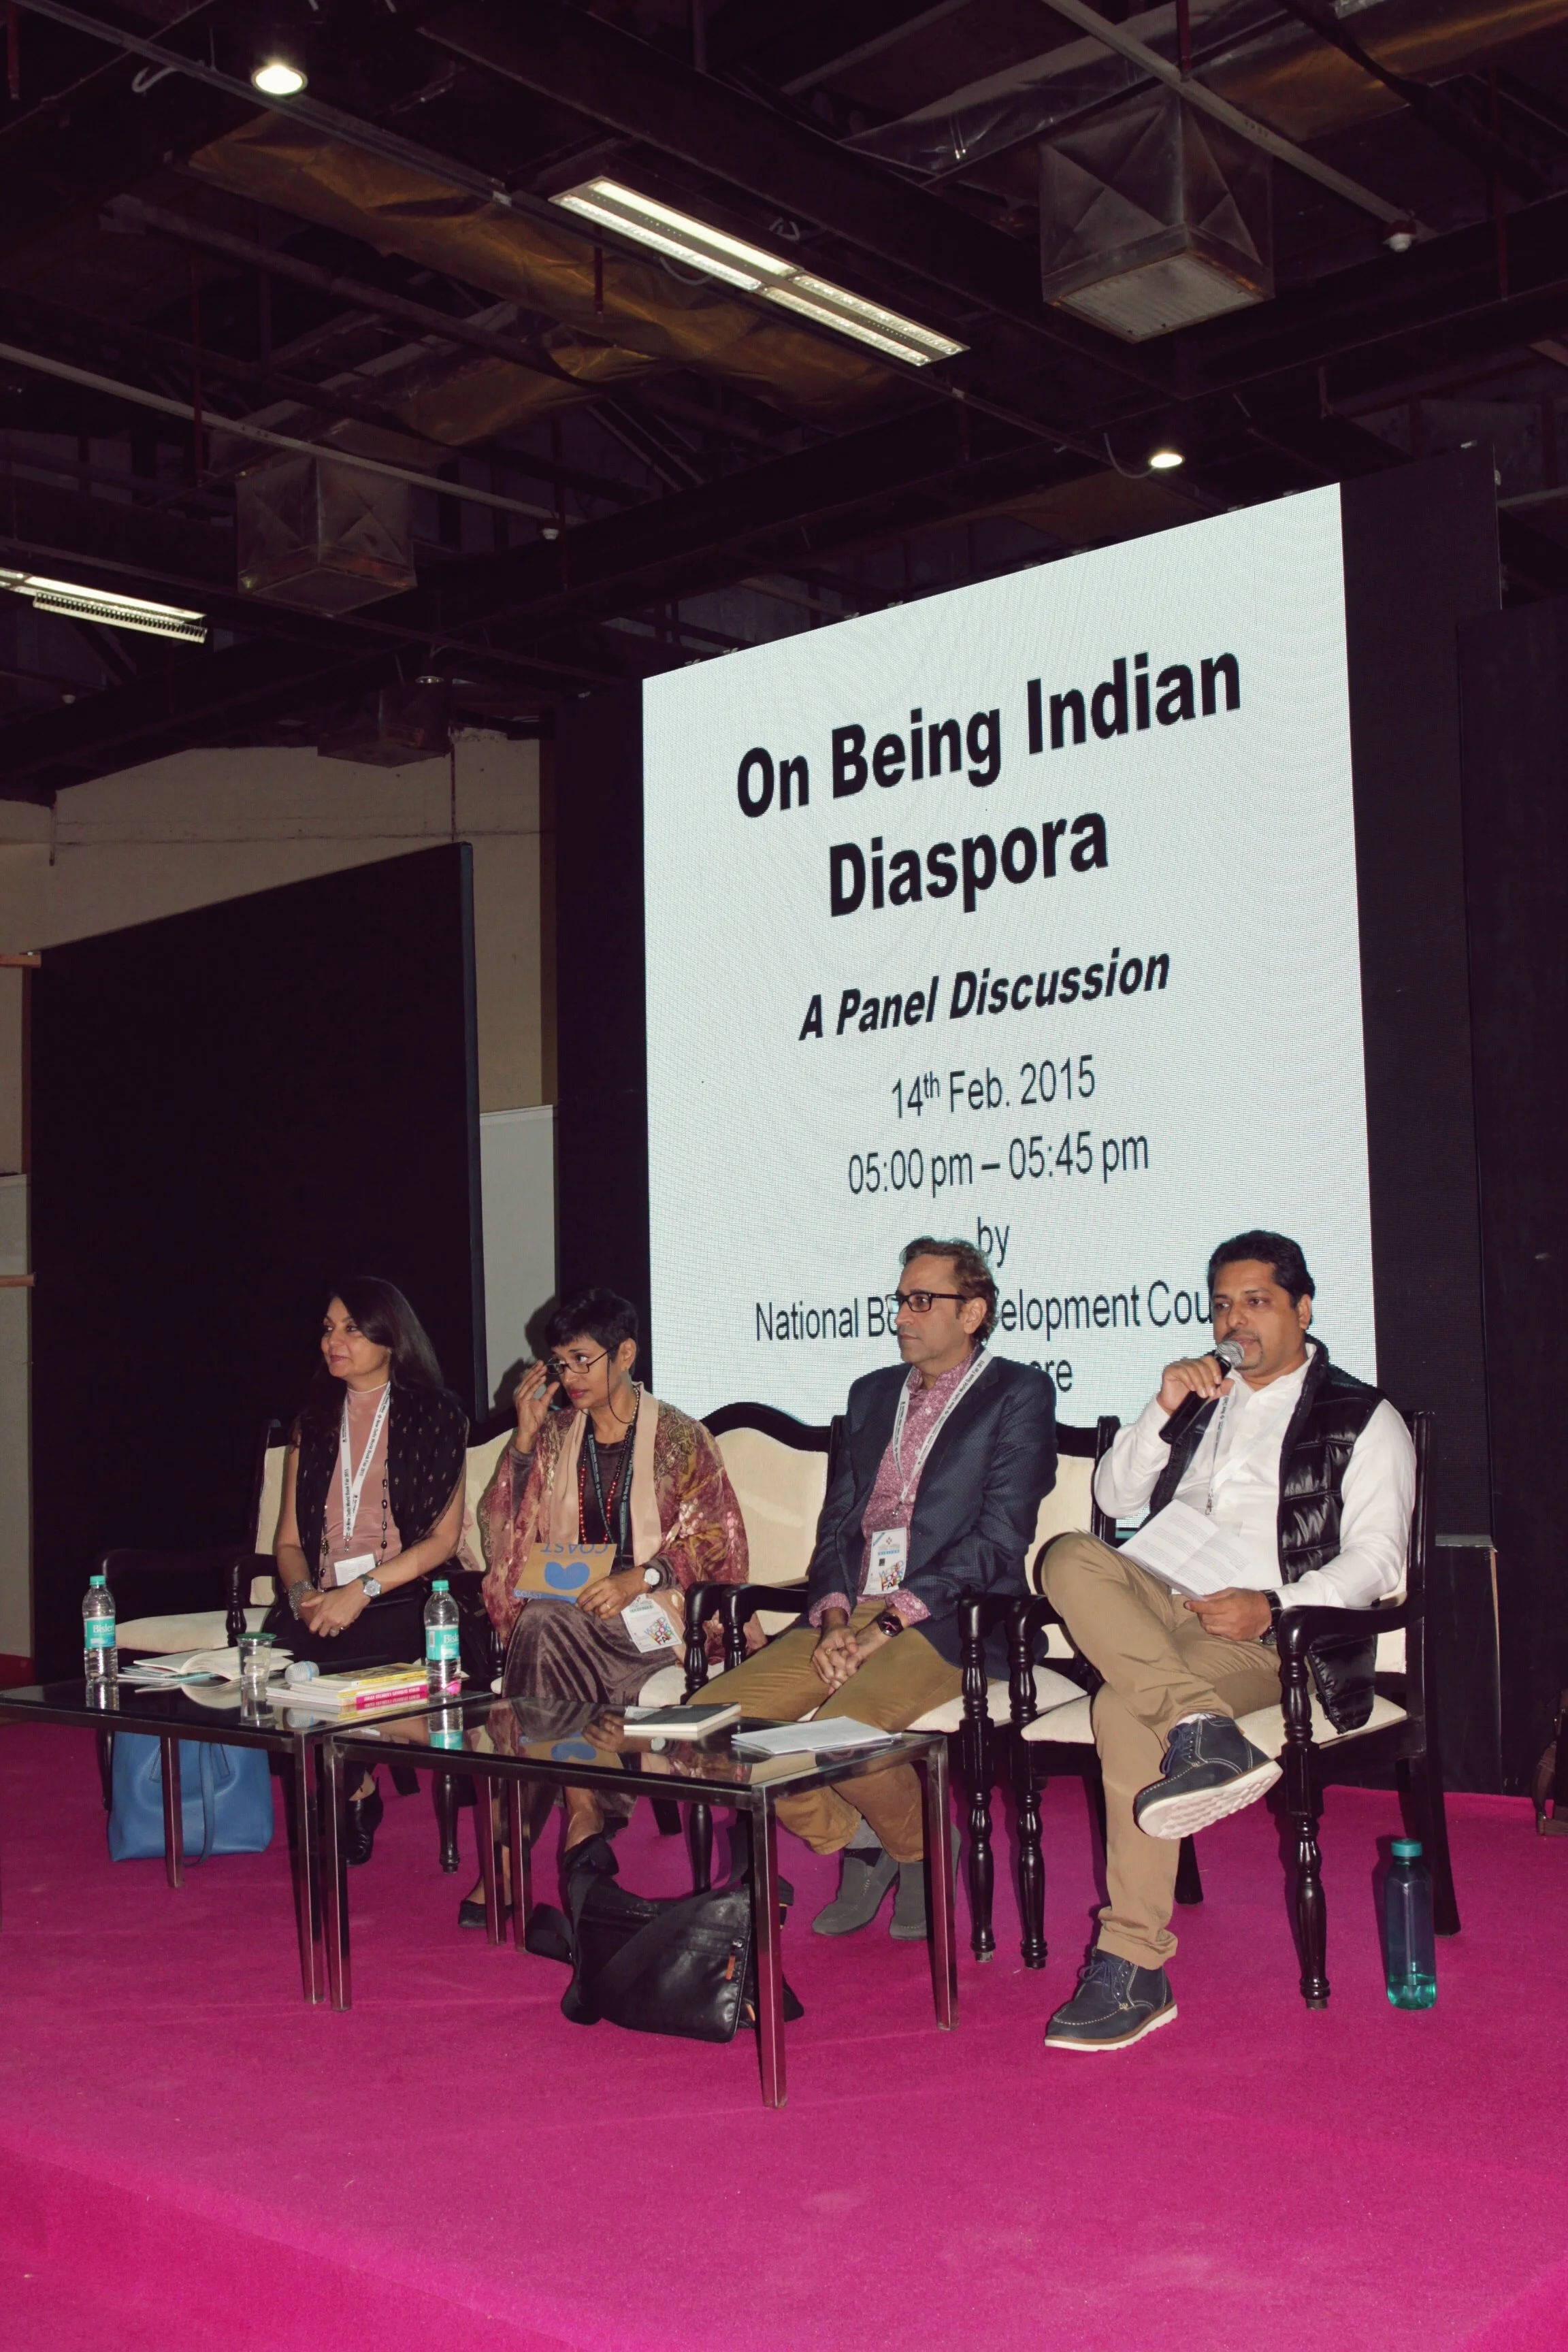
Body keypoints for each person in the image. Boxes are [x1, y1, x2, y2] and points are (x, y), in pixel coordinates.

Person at [1039, 1230, 1416, 2051]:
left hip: (1266, 1638)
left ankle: (1134, 1966)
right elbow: (1111, 1493)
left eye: (1256, 1302)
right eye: (1221, 1306)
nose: (1234, 1322)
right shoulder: (1202, 1401)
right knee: (1065, 1556)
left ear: (1303, 1308)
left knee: (1121, 1711)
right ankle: (1200, 1729)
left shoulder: (1364, 1416)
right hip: (1157, 1602)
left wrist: (1273, 1606)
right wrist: (1164, 1405)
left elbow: (1379, 1560)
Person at [689, 1237, 1057, 1940]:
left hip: (951, 1614)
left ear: (974, 1311)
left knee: (839, 1739)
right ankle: (876, 1839)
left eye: (923, 1301)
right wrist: (832, 1619)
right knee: (711, 1730)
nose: (902, 1316)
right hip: (849, 1608)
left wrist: (882, 1626)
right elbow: (837, 1526)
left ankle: (912, 1850)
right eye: (901, 1300)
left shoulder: (1019, 1393)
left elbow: (998, 1541)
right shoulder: (870, 1394)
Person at [476, 1287, 748, 1911]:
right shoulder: (554, 1437)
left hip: (660, 1620)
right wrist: (521, 1441)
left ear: (624, 1353)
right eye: (559, 1364)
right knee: (546, 1620)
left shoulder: (680, 1438)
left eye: (582, 1360)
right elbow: (502, 1531)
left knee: (546, 1632)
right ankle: (580, 1805)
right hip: (570, 1616)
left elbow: (720, 1543)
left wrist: (643, 1577)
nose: (569, 1377)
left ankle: (518, 1837)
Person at [269, 1277, 469, 1862]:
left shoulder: (436, 1415)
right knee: (277, 1665)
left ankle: (346, 1771)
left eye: (352, 1328)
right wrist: (306, 1593)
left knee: (324, 1675)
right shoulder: (313, 1423)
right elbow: (287, 1542)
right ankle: (354, 1781)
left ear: (392, 1337)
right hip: (322, 1599)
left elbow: (443, 1541)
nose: (335, 1340)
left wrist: (360, 1591)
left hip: (402, 1595)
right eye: (329, 1328)